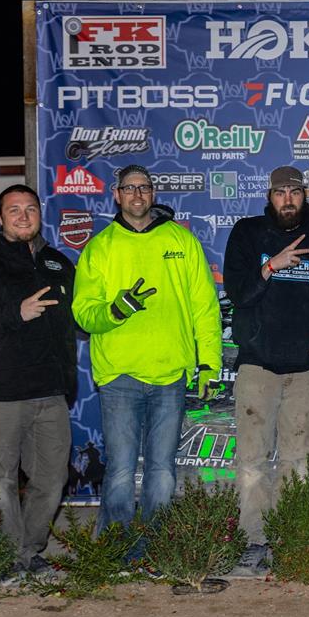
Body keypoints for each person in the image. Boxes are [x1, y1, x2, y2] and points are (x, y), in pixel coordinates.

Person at [72, 165, 221, 543]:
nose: (137, 195)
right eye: (129, 188)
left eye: (144, 187)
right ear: (116, 195)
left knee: (163, 471)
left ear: (153, 194)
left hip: (170, 376)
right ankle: (115, 549)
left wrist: (209, 364)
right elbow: (83, 313)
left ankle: (154, 548)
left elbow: (205, 309)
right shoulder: (100, 248)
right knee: (121, 471)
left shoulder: (182, 241)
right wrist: (115, 310)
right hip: (119, 377)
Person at [223, 166, 309, 573]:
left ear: (304, 195)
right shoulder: (247, 233)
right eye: (281, 193)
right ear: (270, 196)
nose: (288, 200)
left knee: (297, 460)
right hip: (257, 365)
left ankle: (287, 536)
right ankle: (254, 539)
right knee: (251, 461)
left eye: (295, 192)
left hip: (305, 366)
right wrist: (271, 266)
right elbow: (238, 294)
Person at [0, 187, 76, 575]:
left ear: (40, 214)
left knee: (53, 477)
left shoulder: (56, 262)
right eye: (14, 210)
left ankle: (29, 551)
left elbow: (73, 322)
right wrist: (17, 312)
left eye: (30, 208)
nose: (23, 216)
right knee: (0, 481)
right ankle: (5, 557)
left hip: (50, 390)